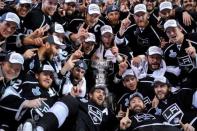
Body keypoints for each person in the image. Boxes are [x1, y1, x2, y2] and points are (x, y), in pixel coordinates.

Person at [163, 19, 197, 89]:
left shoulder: (194, 38)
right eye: (168, 32)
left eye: (174, 30)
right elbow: (171, 70)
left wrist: (195, 56)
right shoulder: (168, 50)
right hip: (187, 84)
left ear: (180, 28)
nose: (171, 33)